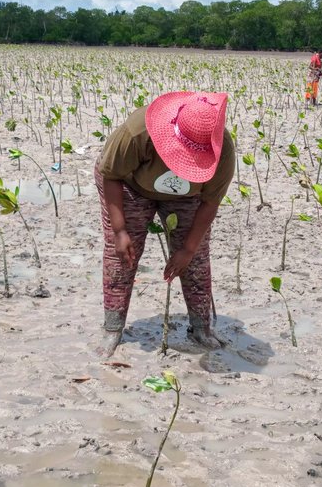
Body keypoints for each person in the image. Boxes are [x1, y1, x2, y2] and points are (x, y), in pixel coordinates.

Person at [95, 91, 234, 357]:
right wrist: (119, 230)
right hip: (129, 186)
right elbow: (110, 174)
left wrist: (189, 249)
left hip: (187, 196)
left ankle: (201, 328)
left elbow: (210, 202)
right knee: (122, 253)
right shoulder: (137, 132)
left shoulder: (222, 151)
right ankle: (112, 327)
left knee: (195, 259)